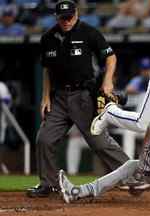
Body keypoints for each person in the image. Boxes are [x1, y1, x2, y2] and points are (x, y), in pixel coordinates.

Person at [26, 0, 131, 197]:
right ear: (56, 17)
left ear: (76, 14)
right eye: (62, 17)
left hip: (83, 96)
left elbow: (111, 57)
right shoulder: (48, 37)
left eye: (69, 17)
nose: (66, 21)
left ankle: (134, 177)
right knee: (44, 139)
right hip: (59, 98)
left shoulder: (88, 32)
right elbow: (47, 69)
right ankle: (48, 184)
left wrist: (107, 82)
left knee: (99, 142)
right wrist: (45, 97)